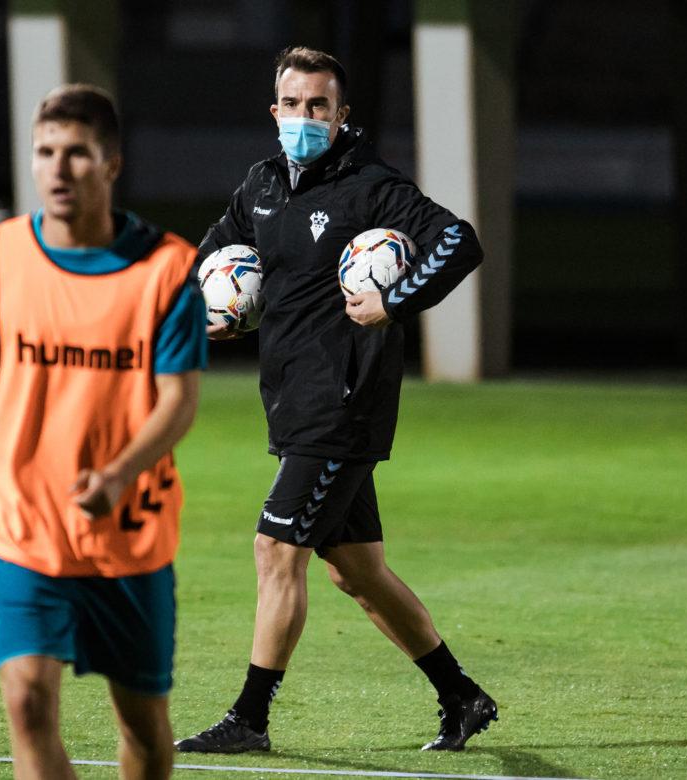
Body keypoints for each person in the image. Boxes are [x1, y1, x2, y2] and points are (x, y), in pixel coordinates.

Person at [175, 46, 496, 754]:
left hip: (344, 401)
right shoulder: (260, 186)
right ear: (275, 110)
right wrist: (211, 312)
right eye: (293, 105)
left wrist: (394, 301)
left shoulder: (369, 186)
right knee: (358, 571)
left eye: (319, 106)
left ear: (341, 114)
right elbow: (211, 259)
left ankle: (249, 720)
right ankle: (461, 696)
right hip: (292, 400)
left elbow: (459, 242)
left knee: (274, 548)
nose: (305, 118)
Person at [0, 84, 205, 780]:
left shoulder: (169, 270)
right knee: (28, 702)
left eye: (78, 154)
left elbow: (178, 399)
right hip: (23, 529)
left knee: (145, 731)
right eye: (45, 152)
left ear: (111, 164)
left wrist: (119, 473)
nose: (58, 169)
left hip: (128, 537)